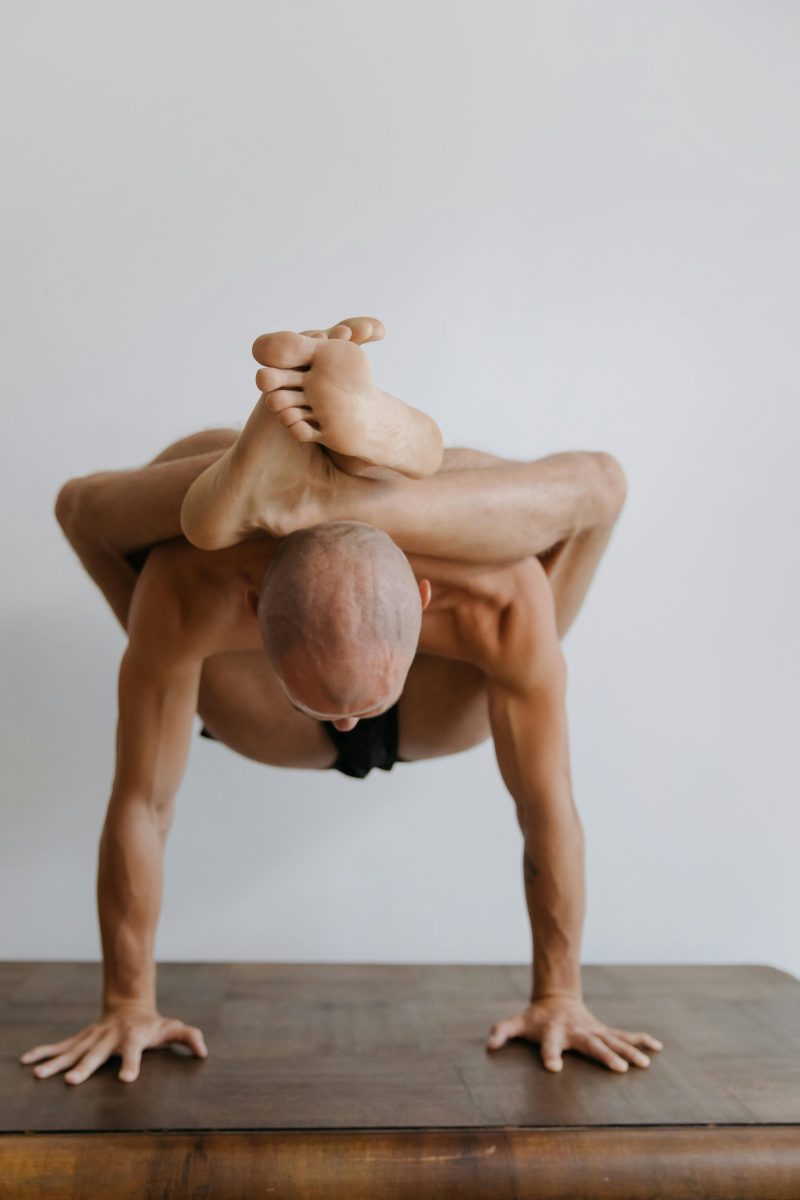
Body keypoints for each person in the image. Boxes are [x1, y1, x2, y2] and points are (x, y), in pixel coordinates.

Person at [21, 316, 662, 1086]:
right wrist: (128, 1003)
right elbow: (142, 805)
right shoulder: (190, 593)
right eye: (328, 705)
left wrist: (562, 995)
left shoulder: (500, 598)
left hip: (434, 701)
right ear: (254, 608)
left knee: (157, 488)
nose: (349, 723)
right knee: (204, 463)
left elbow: (546, 806)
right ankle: (351, 481)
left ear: (425, 600)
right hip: (265, 702)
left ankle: (323, 488)